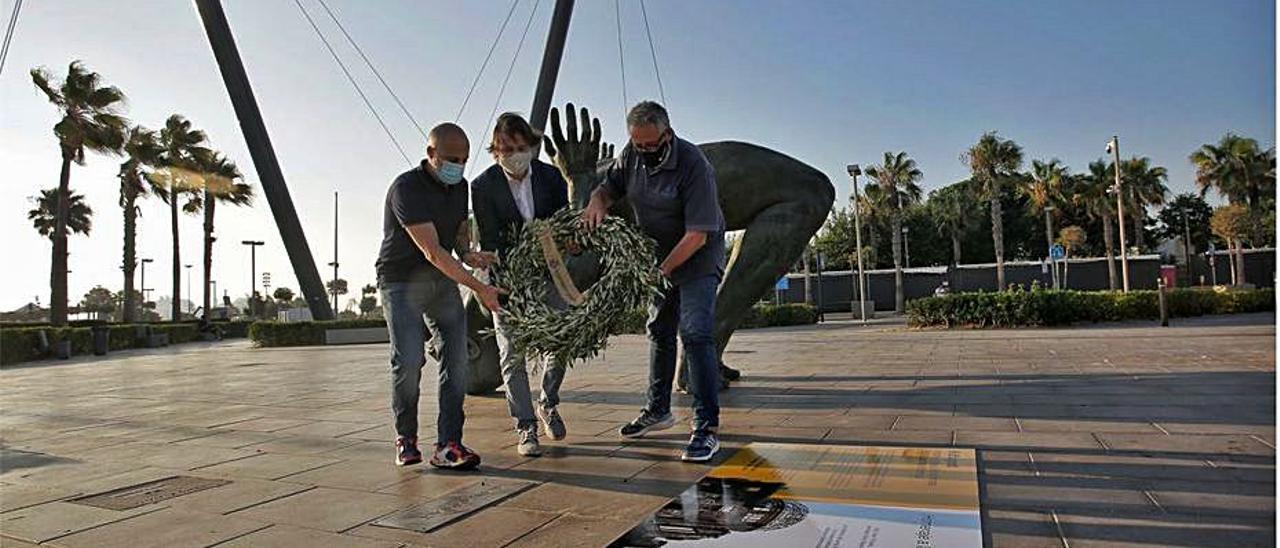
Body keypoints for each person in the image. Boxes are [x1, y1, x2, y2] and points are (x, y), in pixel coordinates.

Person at [582, 100, 726, 462]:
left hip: (697, 259)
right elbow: (607, 188)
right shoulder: (629, 156)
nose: (644, 151)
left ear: (667, 133)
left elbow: (697, 235)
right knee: (659, 329)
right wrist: (596, 202)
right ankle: (657, 410)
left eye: (651, 145)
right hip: (658, 258)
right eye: (638, 144)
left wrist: (661, 272)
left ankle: (706, 426)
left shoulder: (693, 165)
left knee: (694, 332)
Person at [375, 122, 504, 470]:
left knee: (457, 357)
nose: (458, 166)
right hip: (401, 282)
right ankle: (406, 438)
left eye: (463, 159)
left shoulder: (459, 186)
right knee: (409, 361)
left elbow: (458, 234)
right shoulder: (407, 188)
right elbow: (432, 251)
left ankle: (449, 444)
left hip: (439, 281)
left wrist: (469, 254)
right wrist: (479, 287)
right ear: (430, 154)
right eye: (450, 159)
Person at [471, 112, 571, 457]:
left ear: (531, 146)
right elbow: (491, 237)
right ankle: (525, 426)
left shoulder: (552, 177)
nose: (513, 153)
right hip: (508, 279)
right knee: (511, 355)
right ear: (495, 151)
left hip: (551, 274)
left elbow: (563, 221)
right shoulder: (483, 187)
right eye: (505, 148)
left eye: (519, 147)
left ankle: (548, 401)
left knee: (560, 342)